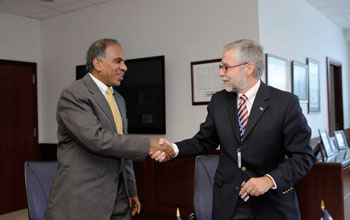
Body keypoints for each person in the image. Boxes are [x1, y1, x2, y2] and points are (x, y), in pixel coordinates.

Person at [152, 39, 314, 220]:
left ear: (249, 68)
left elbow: (303, 156)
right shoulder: (219, 101)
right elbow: (204, 141)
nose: (221, 73)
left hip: (272, 205)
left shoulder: (285, 103)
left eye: (226, 67)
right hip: (229, 203)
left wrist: (269, 180)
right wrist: (173, 149)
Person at [44, 39, 174, 220]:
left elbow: (121, 144)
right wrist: (148, 145)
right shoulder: (74, 93)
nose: (125, 67)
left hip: (119, 197)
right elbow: (96, 139)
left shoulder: (118, 99)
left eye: (124, 62)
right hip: (83, 199)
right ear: (97, 63)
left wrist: (131, 189)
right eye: (118, 61)